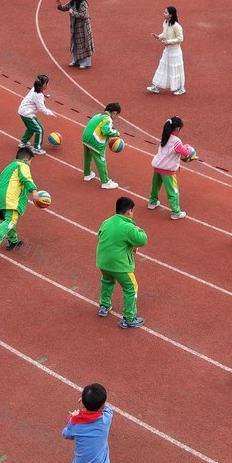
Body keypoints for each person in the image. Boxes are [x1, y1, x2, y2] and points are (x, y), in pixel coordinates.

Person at [61, 383, 123, 463]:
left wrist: (73, 416)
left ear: (83, 402)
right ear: (102, 404)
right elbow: (107, 409)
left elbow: (66, 434)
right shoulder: (105, 419)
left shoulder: (74, 423)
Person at [96, 196, 148, 329]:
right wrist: (138, 229)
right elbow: (142, 240)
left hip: (103, 262)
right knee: (131, 288)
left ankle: (104, 306)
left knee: (107, 281)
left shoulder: (106, 222)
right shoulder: (128, 227)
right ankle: (129, 318)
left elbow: (100, 236)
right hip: (119, 265)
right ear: (129, 211)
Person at [0, 147, 38, 257]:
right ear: (26, 160)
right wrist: (34, 191)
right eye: (30, 162)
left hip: (2, 197)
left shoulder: (8, 167)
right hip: (11, 197)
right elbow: (26, 178)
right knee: (11, 220)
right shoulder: (22, 165)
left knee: (10, 220)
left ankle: (13, 241)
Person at [147, 116, 193, 219]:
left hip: (157, 167)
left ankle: (152, 202)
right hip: (167, 171)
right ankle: (175, 212)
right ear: (177, 129)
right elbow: (185, 152)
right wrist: (187, 148)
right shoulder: (176, 141)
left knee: (155, 186)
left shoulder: (165, 137)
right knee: (173, 191)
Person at [147, 6, 185, 95]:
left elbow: (180, 39)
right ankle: (156, 86)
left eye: (166, 13)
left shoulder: (177, 26)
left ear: (171, 15)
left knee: (176, 69)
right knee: (162, 67)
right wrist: (159, 37)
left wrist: (169, 41)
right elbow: (165, 33)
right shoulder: (165, 23)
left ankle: (181, 88)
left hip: (175, 52)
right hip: (167, 50)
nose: (164, 14)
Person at [82, 103, 121, 189]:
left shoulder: (98, 115)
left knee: (87, 157)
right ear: (114, 112)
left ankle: (87, 174)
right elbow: (106, 131)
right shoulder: (108, 119)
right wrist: (116, 133)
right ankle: (105, 182)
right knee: (101, 161)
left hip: (85, 138)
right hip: (95, 141)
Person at [56, 0, 94, 69]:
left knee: (84, 44)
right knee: (76, 43)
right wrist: (59, 6)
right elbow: (65, 7)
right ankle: (76, 60)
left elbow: (84, 15)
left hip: (83, 27)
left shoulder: (83, 3)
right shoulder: (72, 2)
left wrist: (73, 13)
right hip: (75, 27)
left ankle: (85, 63)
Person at [18, 74, 55, 155]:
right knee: (40, 129)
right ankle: (36, 148)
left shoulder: (34, 89)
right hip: (27, 113)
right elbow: (42, 109)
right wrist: (51, 113)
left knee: (31, 128)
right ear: (43, 85)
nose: (48, 85)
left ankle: (23, 142)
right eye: (47, 83)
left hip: (23, 111)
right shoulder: (39, 95)